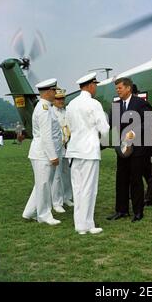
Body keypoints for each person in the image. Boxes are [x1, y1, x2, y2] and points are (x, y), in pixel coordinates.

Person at [65, 72, 109, 235]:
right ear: (91, 85)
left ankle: (80, 225)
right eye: (95, 85)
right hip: (89, 150)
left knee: (77, 188)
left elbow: (68, 126)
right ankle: (87, 224)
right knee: (89, 188)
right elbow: (104, 129)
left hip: (75, 149)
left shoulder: (71, 104)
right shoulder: (94, 104)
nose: (95, 88)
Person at [107, 77, 152, 222]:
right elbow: (113, 127)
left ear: (128, 88)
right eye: (116, 89)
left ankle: (138, 212)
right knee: (121, 180)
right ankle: (121, 210)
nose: (118, 90)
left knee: (136, 181)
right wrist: (116, 146)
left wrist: (135, 132)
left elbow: (149, 123)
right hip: (122, 150)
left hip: (138, 150)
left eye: (120, 88)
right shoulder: (115, 105)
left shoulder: (141, 104)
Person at [22, 78, 61, 225]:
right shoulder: (44, 109)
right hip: (43, 153)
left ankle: (29, 212)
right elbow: (46, 136)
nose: (55, 93)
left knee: (40, 184)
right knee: (44, 185)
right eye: (54, 90)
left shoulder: (45, 106)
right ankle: (44, 215)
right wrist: (53, 156)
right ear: (48, 92)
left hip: (41, 152)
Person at [51, 88, 74, 213]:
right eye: (58, 98)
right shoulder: (51, 113)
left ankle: (67, 197)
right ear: (53, 99)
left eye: (62, 98)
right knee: (57, 176)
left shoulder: (66, 111)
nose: (61, 101)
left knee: (67, 174)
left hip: (68, 147)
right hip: (57, 148)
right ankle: (56, 202)